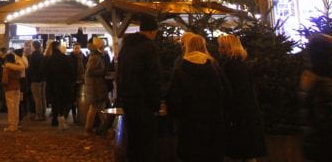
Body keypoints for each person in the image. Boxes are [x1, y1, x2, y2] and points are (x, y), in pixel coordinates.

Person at [167, 34, 226, 162]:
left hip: (188, 121)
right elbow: (224, 92)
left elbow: (174, 97)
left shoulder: (180, 67)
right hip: (212, 120)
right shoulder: (213, 67)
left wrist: (175, 115)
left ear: (187, 46)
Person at [116, 16, 162, 162]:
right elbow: (153, 77)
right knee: (145, 141)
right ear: (152, 31)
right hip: (144, 102)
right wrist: (155, 103)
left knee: (132, 138)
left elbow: (120, 73)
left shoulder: (127, 46)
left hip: (128, 100)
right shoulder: (149, 47)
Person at [217, 34, 266, 162]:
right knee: (249, 154)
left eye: (221, 47)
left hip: (239, 116)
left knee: (240, 151)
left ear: (228, 48)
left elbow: (231, 92)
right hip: (248, 114)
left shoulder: (230, 66)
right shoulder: (242, 64)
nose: (219, 50)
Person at [45, 40, 74, 129]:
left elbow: (45, 73)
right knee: (63, 102)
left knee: (55, 103)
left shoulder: (49, 59)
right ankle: (62, 119)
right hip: (64, 84)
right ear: (58, 47)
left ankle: (55, 120)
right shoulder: (65, 58)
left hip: (52, 85)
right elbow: (71, 71)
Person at [84, 36, 109, 135]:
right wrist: (103, 71)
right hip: (95, 87)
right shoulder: (95, 57)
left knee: (99, 108)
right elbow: (90, 72)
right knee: (95, 107)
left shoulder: (95, 56)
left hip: (96, 86)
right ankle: (90, 127)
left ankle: (105, 126)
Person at [2, 52, 25, 131]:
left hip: (9, 88)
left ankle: (12, 126)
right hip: (17, 87)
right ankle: (15, 124)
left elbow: (5, 80)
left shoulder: (7, 67)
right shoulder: (17, 67)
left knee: (11, 108)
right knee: (16, 107)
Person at [27, 40, 47, 121]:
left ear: (33, 46)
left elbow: (31, 69)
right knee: (42, 97)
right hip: (42, 79)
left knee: (37, 98)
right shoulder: (42, 55)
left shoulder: (33, 56)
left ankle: (39, 115)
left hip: (35, 80)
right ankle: (43, 113)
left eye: (31, 46)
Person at [70, 43, 86, 122]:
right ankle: (74, 116)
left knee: (81, 98)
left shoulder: (83, 57)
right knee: (73, 98)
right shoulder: (70, 57)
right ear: (73, 49)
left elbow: (86, 66)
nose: (77, 50)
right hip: (73, 80)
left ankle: (81, 114)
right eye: (75, 48)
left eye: (78, 48)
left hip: (82, 80)